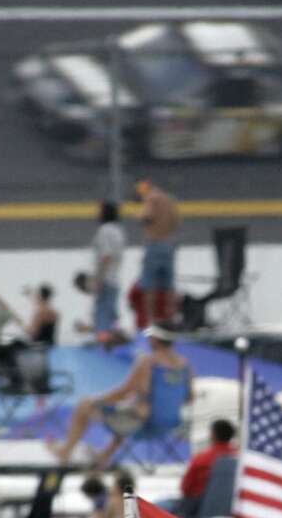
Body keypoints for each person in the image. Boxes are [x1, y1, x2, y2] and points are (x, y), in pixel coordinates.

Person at [48, 328, 192, 468]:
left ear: (155, 339)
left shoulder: (149, 363)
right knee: (126, 409)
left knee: (84, 406)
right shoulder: (184, 365)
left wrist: (99, 400)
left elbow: (124, 391)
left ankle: (65, 452)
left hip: (144, 424)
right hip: (171, 424)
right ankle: (104, 455)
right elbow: (189, 397)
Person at [134, 180, 181, 328]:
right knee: (169, 285)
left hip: (154, 244)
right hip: (168, 244)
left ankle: (151, 320)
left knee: (149, 285)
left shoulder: (151, 198)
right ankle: (171, 318)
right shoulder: (169, 200)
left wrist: (138, 215)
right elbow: (176, 221)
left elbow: (146, 216)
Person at [173, 419, 236, 518]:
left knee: (160, 506)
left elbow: (185, 488)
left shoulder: (202, 459)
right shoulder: (238, 457)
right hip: (232, 507)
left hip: (196, 507)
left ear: (213, 435)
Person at [89, 200, 126, 346]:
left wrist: (98, 279)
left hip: (106, 279)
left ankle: (102, 346)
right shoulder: (118, 231)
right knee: (111, 315)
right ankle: (112, 343)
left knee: (101, 316)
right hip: (115, 278)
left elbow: (106, 256)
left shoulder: (104, 231)